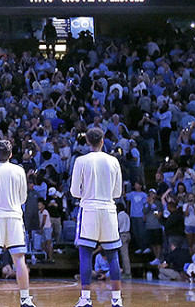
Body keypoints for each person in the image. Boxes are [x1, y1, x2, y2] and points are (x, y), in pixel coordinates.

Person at [71, 127, 123, 307]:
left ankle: (85, 299)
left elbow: (73, 191)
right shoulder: (113, 161)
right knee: (113, 255)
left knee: (85, 254)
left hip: (89, 209)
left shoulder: (81, 160)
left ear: (87, 142)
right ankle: (117, 299)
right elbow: (117, 192)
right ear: (103, 141)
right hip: (108, 208)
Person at [0, 139, 34, 307]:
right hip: (14, 217)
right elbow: (23, 197)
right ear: (11, 154)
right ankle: (25, 299)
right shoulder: (19, 170)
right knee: (19, 259)